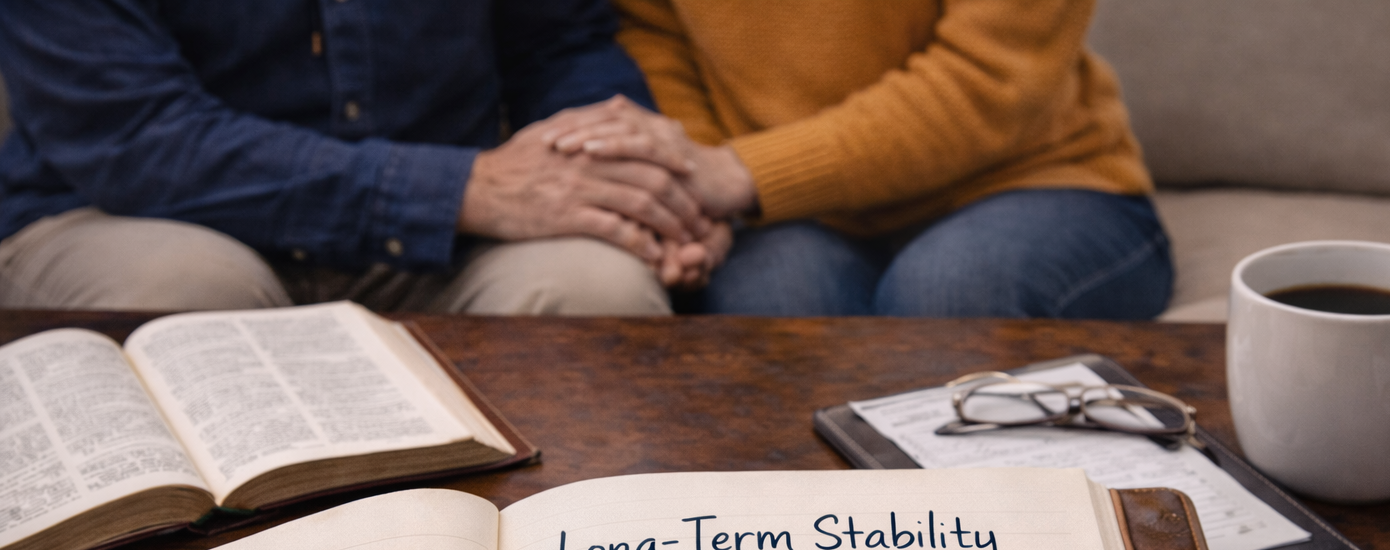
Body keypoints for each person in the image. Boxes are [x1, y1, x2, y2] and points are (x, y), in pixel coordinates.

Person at [0, 0, 728, 314]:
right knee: (183, 293)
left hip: (441, 240)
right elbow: (137, 139)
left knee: (598, 289)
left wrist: (643, 189)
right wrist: (465, 191)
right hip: (123, 215)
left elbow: (561, 49)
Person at [540, 0, 1173, 318]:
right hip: (786, 213)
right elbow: (653, 34)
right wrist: (690, 183)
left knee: (944, 293)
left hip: (1033, 182)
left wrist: (733, 174)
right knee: (773, 313)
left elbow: (989, 83)